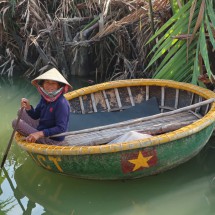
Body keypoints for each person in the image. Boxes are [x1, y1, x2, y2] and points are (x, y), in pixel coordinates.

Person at [12, 68, 72, 145]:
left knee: (15, 123)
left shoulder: (61, 103)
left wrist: (39, 134)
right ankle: (34, 132)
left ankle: (34, 134)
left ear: (58, 86)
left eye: (53, 83)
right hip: (43, 128)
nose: (50, 86)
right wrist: (28, 107)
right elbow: (36, 115)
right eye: (47, 82)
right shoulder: (45, 98)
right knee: (21, 111)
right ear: (42, 84)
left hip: (53, 138)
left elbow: (61, 128)